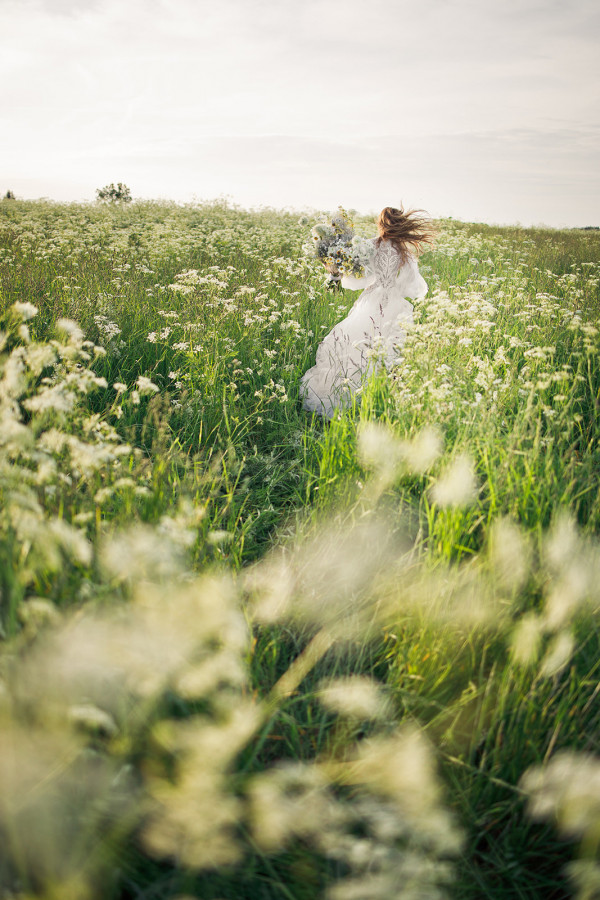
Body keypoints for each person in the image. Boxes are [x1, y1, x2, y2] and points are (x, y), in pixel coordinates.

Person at [300, 205, 435, 418]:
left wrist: (335, 273)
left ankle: (348, 391)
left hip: (371, 301)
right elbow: (413, 286)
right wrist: (395, 290)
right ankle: (383, 396)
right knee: (391, 349)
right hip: (395, 303)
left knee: (358, 344)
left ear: (380, 223)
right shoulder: (405, 253)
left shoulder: (370, 245)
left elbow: (356, 278)